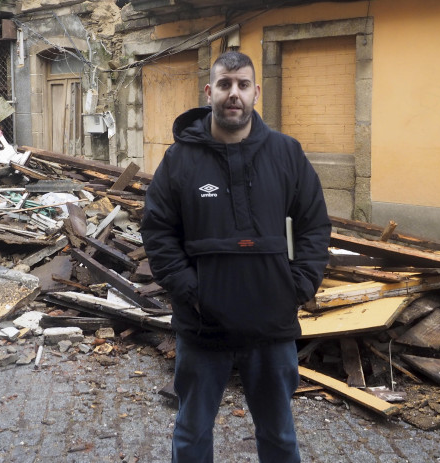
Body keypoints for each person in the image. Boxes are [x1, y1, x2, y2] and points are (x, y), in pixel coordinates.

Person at [140, 50, 331, 462]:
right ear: (209, 91)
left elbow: (314, 225)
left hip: (272, 325)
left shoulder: (286, 154)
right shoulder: (179, 160)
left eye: (243, 85)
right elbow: (158, 232)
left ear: (256, 92)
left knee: (279, 435)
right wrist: (192, 291)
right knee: (192, 433)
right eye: (225, 84)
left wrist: (297, 286)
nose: (234, 94)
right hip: (202, 325)